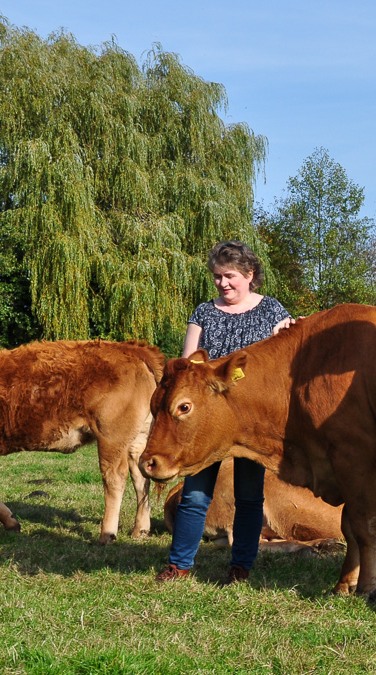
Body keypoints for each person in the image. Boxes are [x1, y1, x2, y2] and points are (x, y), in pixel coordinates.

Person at [155, 241, 292, 584]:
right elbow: (187, 367)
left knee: (249, 497)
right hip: (206, 421)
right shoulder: (204, 313)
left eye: (229, 276)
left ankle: (241, 565)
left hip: (251, 421)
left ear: (250, 275)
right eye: (217, 277)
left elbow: (285, 359)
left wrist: (289, 329)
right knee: (195, 493)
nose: (222, 283)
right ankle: (180, 565)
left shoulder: (273, 311)